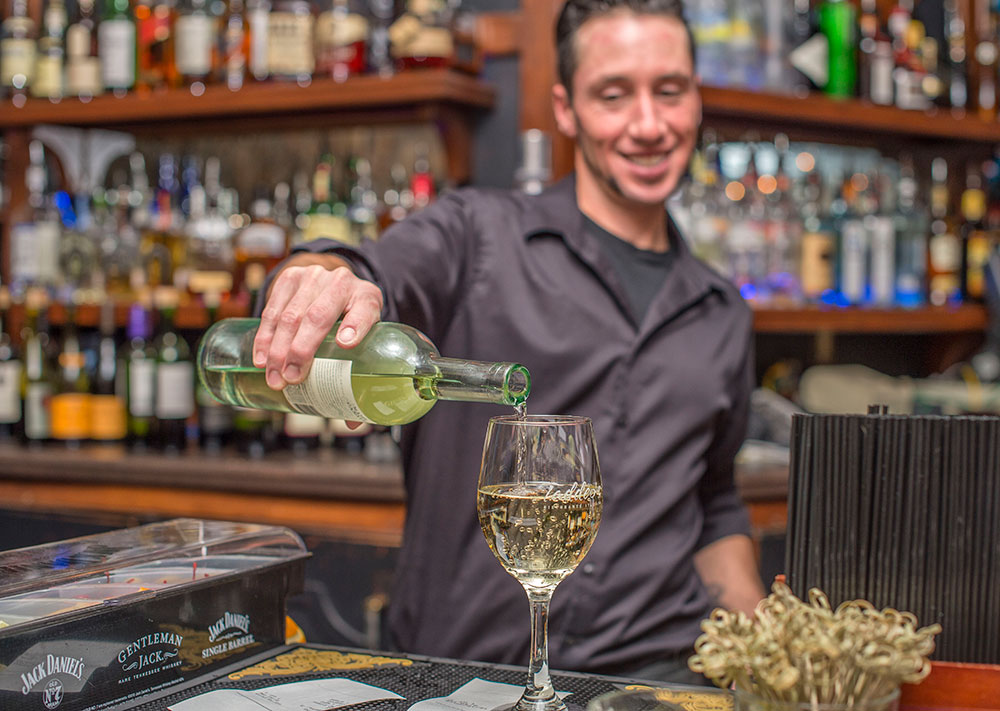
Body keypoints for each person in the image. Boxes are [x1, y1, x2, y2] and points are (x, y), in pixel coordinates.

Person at [253, 0, 764, 683]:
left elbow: (714, 505)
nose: (648, 124)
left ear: (696, 99)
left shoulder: (721, 310)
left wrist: (768, 654)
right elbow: (359, 269)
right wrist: (316, 285)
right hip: (461, 677)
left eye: (669, 91)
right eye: (613, 95)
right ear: (566, 108)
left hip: (658, 681)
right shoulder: (477, 234)